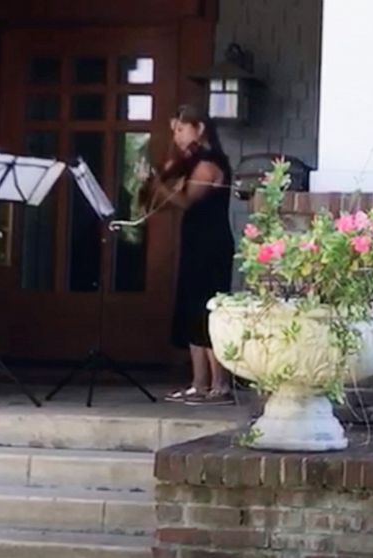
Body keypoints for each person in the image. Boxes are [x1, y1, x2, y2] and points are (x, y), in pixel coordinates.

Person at [140, 105, 236, 406]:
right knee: (191, 308)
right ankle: (199, 383)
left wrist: (158, 183)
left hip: (212, 244)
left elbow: (185, 201)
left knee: (207, 310)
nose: (177, 136)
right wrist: (152, 186)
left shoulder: (209, 164)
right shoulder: (192, 162)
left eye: (181, 129)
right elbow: (170, 203)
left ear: (200, 129)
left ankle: (220, 386)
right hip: (196, 241)